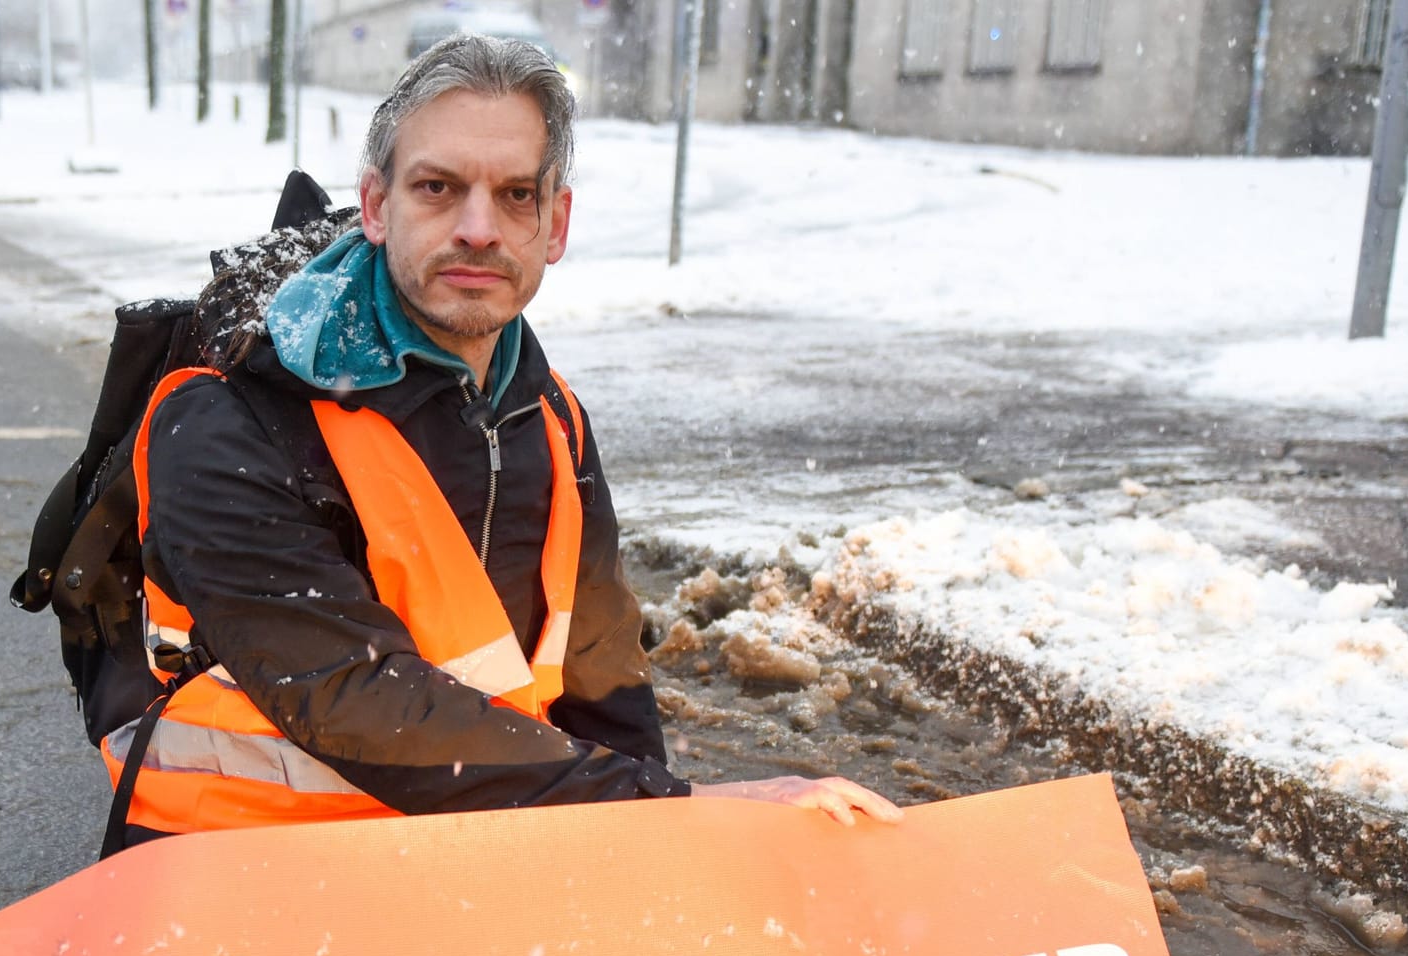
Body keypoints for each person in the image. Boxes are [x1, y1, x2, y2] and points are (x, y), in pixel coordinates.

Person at [114, 33, 900, 843]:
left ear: (555, 224)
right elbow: (347, 692)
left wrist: (662, 849)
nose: (480, 228)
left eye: (517, 195)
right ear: (378, 207)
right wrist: (662, 807)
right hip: (240, 874)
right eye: (438, 187)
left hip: (485, 850)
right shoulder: (227, 416)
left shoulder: (549, 415)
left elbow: (601, 675)